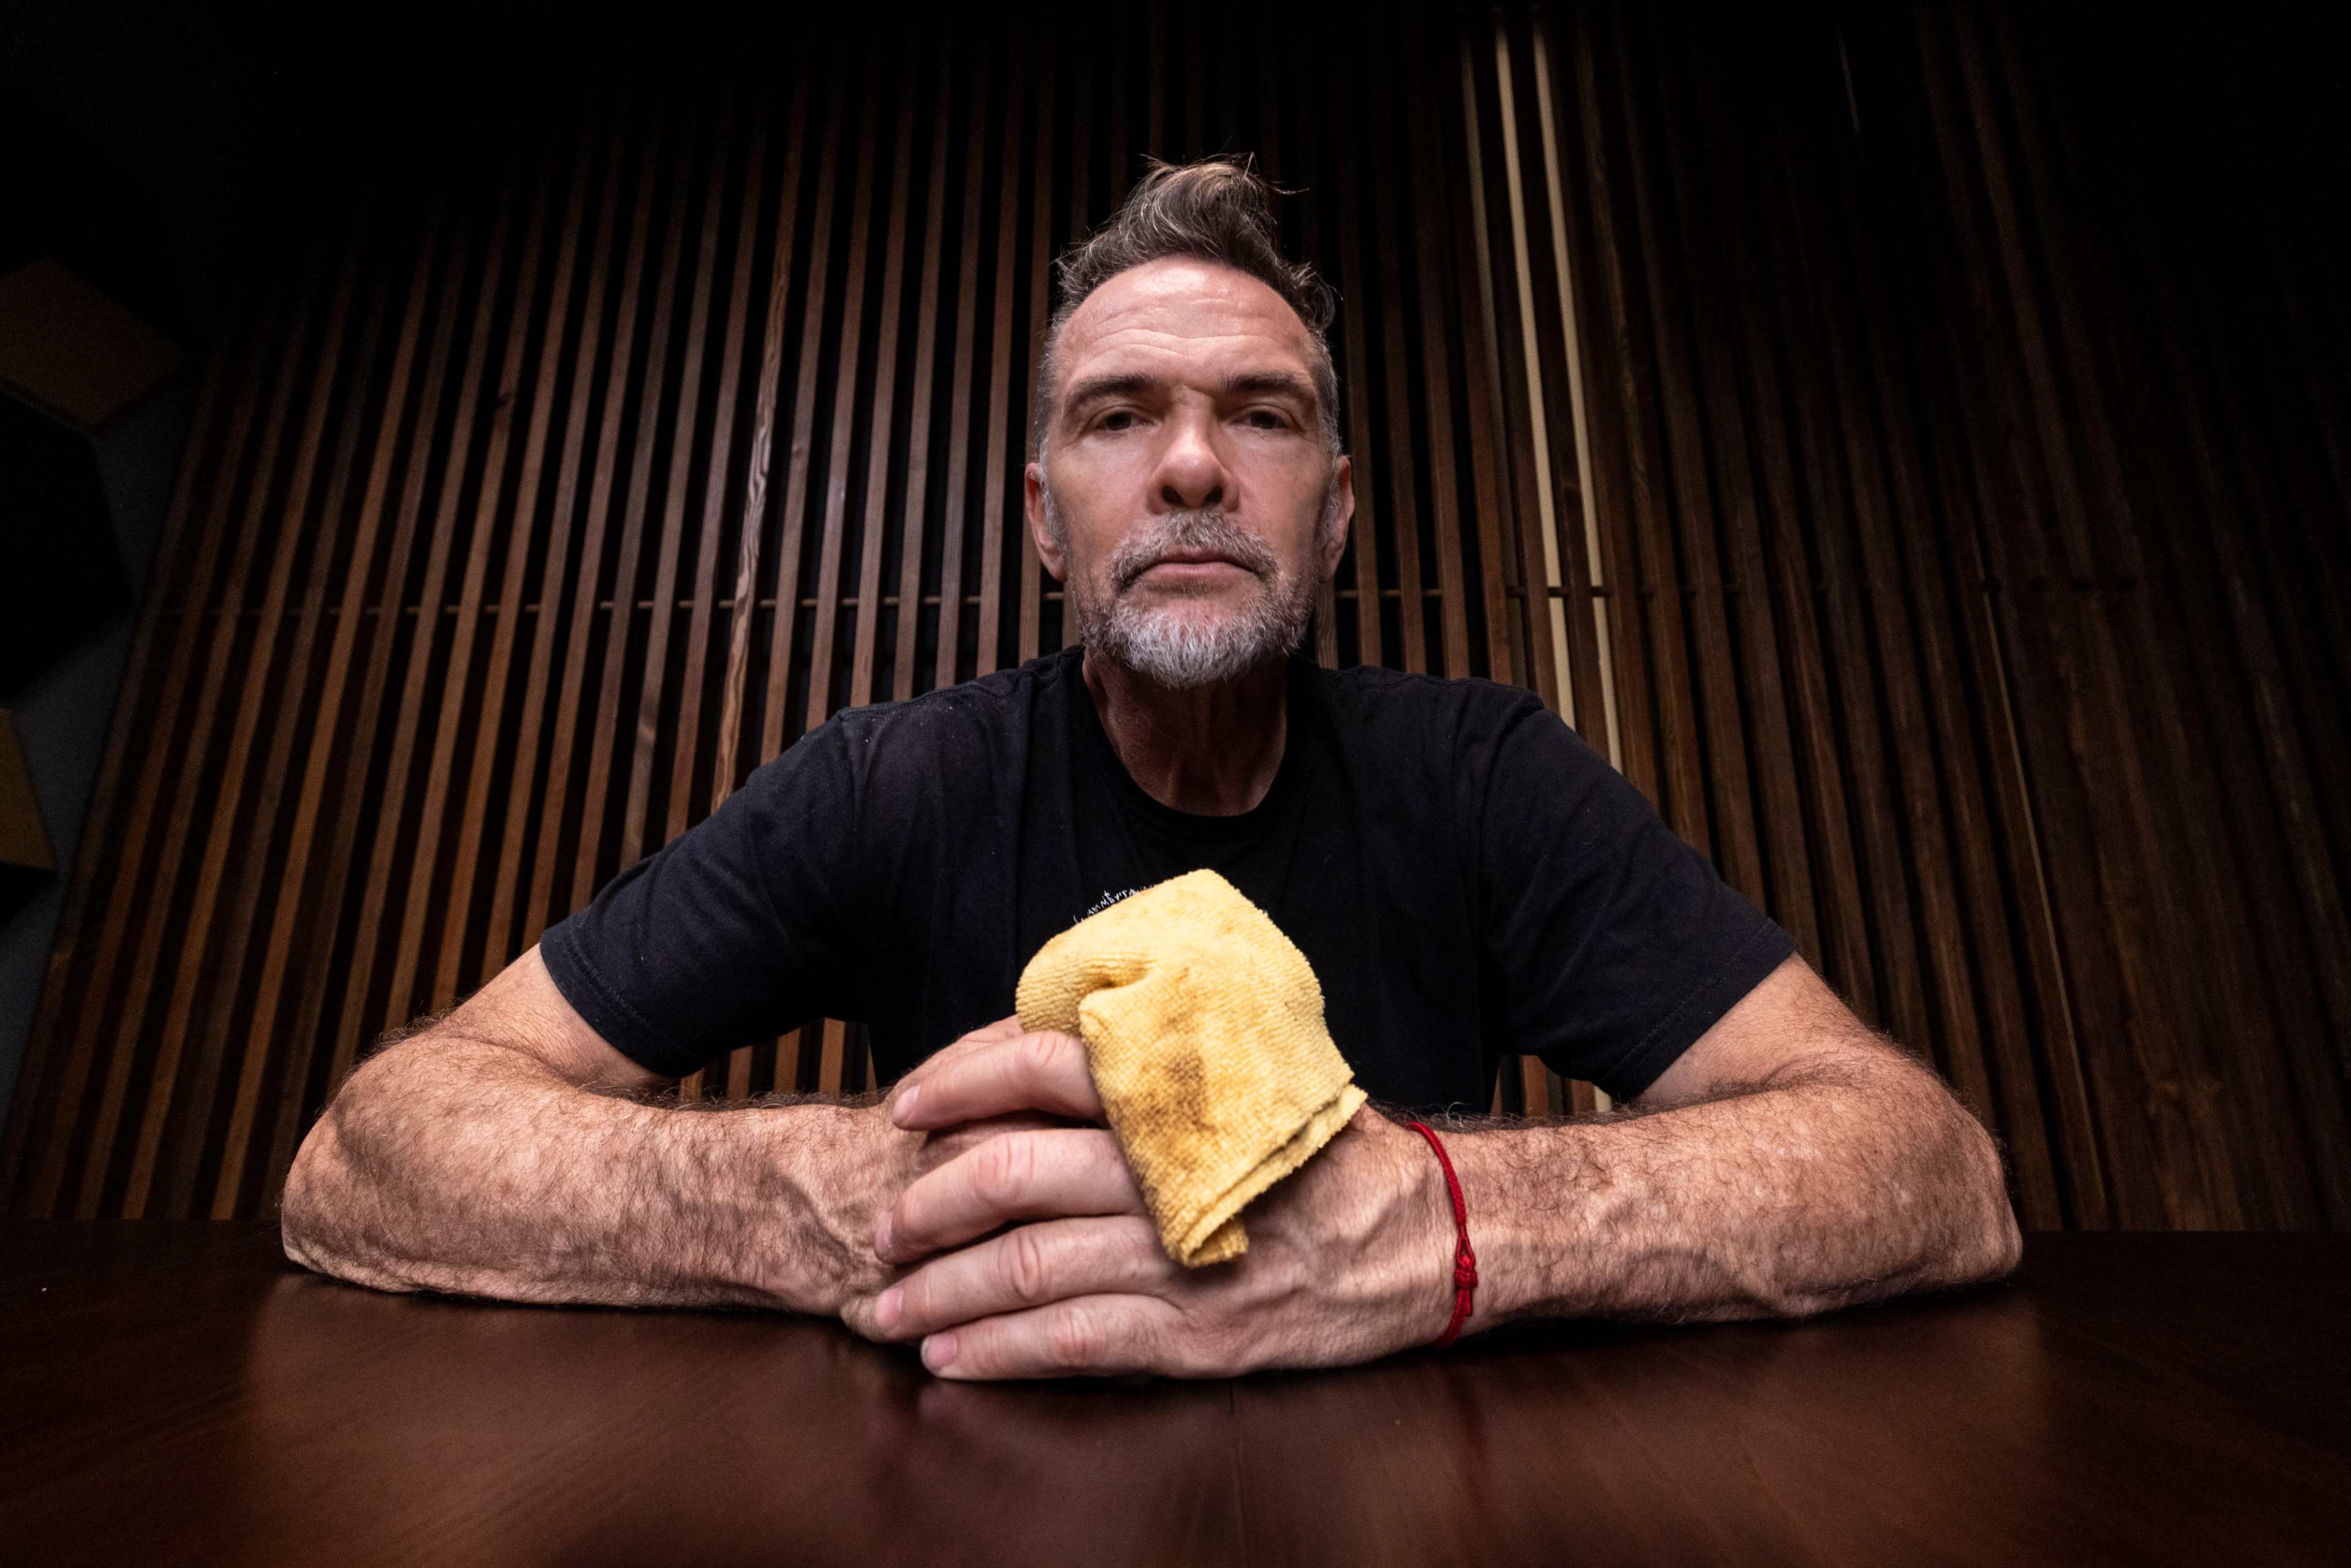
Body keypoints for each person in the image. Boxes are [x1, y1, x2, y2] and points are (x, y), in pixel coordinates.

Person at [280, 156, 2022, 1381]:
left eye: (1261, 413)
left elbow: (1927, 1170)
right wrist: (852, 1200)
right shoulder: (892, 782)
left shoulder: (1488, 776)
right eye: (1119, 416)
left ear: (1336, 511)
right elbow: (368, 1160)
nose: (1192, 464)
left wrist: (1432, 1225)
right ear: (1045, 519)